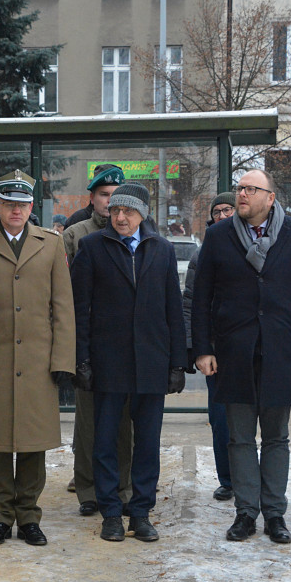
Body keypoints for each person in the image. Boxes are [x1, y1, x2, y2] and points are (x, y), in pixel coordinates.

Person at [192, 169, 291, 545]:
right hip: (233, 351)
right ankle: (246, 512)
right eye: (240, 188)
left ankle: (275, 514)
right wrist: (203, 348)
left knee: (277, 437)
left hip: (280, 350)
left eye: (251, 189)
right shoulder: (218, 235)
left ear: (270, 198)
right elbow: (202, 297)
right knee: (240, 437)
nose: (242, 194)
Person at [0, 170, 75, 547]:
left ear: (30, 208)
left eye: (22, 205)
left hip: (39, 361)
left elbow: (63, 308)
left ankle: (29, 516)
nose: (16, 211)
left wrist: (62, 361)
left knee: (32, 443)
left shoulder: (52, 244)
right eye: (9, 205)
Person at [71, 183, 187, 542]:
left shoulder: (162, 249)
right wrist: (82, 359)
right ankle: (110, 512)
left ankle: (140, 512)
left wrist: (176, 363)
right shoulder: (92, 247)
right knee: (105, 440)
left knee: (148, 442)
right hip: (109, 362)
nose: (120, 217)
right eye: (116, 210)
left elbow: (173, 308)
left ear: (143, 215)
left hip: (152, 361)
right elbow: (80, 310)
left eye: (129, 212)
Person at [62, 163, 132, 516]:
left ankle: (123, 486)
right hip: (87, 340)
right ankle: (88, 489)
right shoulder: (75, 235)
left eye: (116, 196)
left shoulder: (134, 232)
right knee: (88, 421)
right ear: (92, 198)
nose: (111, 203)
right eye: (104, 196)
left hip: (126, 346)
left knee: (124, 423)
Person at [183, 192, 235, 502]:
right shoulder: (201, 256)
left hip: (250, 350)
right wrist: (195, 347)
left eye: (228, 209)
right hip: (216, 352)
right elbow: (190, 302)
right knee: (220, 418)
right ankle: (227, 479)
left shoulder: (255, 248)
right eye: (218, 211)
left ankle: (252, 478)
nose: (223, 215)